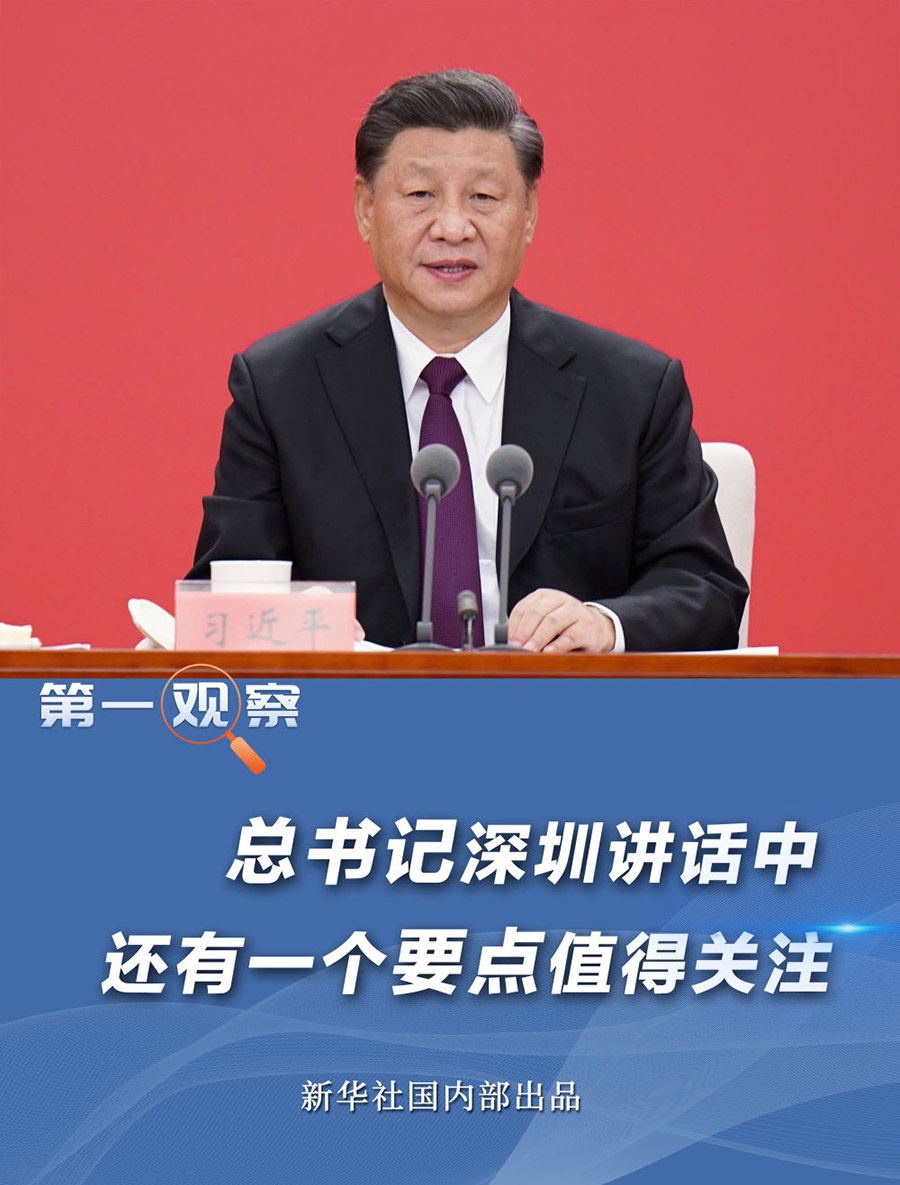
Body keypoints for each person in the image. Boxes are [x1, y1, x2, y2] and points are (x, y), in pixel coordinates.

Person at [190, 69, 747, 652]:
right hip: (363, 705)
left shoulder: (631, 390)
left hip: (560, 704)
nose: (453, 228)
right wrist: (304, 632)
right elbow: (224, 596)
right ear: (366, 208)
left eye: (484, 197)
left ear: (529, 213)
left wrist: (604, 624)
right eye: (420, 196)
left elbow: (706, 589)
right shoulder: (280, 388)